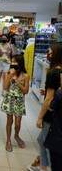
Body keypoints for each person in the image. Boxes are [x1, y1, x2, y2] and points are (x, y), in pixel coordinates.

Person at [28, 43, 62, 171]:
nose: (48, 54)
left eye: (50, 52)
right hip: (58, 112)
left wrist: (40, 117)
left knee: (43, 140)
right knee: (45, 140)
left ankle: (44, 167)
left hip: (52, 112)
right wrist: (48, 90)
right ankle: (43, 165)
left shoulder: (53, 72)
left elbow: (48, 99)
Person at [1, 54, 30, 152]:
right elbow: (5, 87)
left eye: (15, 62)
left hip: (19, 101)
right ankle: (8, 140)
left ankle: (16, 136)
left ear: (20, 63)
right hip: (9, 99)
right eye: (12, 62)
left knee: (18, 123)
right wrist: (9, 76)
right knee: (9, 121)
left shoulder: (26, 76)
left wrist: (17, 81)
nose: (13, 64)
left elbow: (26, 91)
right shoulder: (9, 73)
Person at [45, 87, 62, 171]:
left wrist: (50, 97)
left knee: (56, 163)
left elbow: (50, 107)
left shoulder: (60, 93)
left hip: (58, 136)